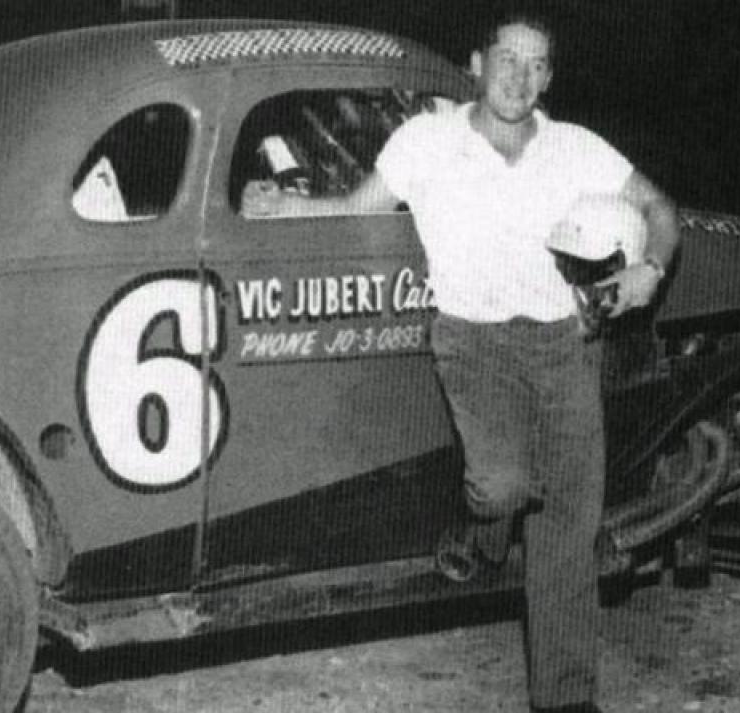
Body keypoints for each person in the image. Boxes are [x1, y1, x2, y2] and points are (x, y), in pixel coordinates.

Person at [243, 13, 679, 713]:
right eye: (507, 59)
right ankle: (480, 532)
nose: (520, 77)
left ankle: (566, 697)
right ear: (476, 64)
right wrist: (278, 208)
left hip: (566, 345)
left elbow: (658, 205)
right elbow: (358, 207)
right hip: (474, 342)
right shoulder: (427, 140)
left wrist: (650, 269)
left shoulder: (575, 147)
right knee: (502, 487)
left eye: (536, 65)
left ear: (549, 77)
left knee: (568, 527)